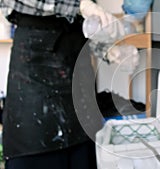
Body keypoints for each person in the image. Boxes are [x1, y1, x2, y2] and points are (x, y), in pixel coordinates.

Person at [0, 0, 122, 168]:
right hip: (34, 74)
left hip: (79, 80)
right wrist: (80, 5)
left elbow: (82, 20)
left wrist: (105, 48)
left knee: (82, 155)